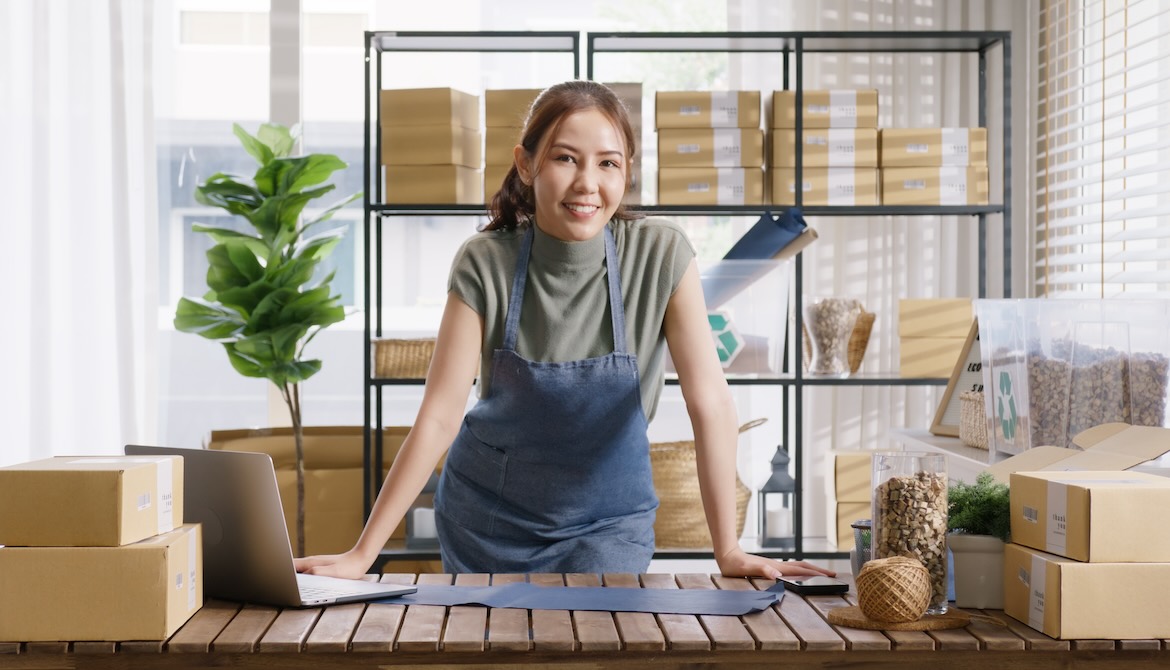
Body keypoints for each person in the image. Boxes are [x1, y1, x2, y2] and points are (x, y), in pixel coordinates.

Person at [295, 80, 835, 579]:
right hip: (487, 523)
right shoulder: (485, 262)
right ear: (526, 165)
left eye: (608, 164)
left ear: (627, 172)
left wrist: (729, 550)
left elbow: (710, 403)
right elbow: (438, 416)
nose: (588, 184)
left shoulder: (660, 255)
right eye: (565, 158)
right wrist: (362, 554)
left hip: (607, 526)